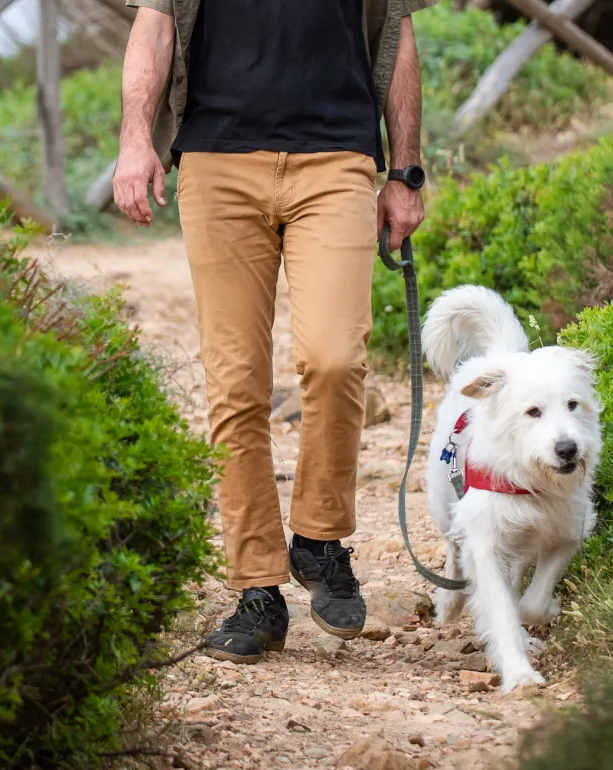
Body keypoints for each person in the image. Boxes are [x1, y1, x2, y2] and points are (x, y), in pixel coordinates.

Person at [114, 0, 428, 663]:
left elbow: (397, 35)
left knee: (336, 357)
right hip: (216, 160)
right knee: (235, 383)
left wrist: (405, 171)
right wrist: (134, 139)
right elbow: (155, 24)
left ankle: (318, 538)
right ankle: (258, 589)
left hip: (337, 159)